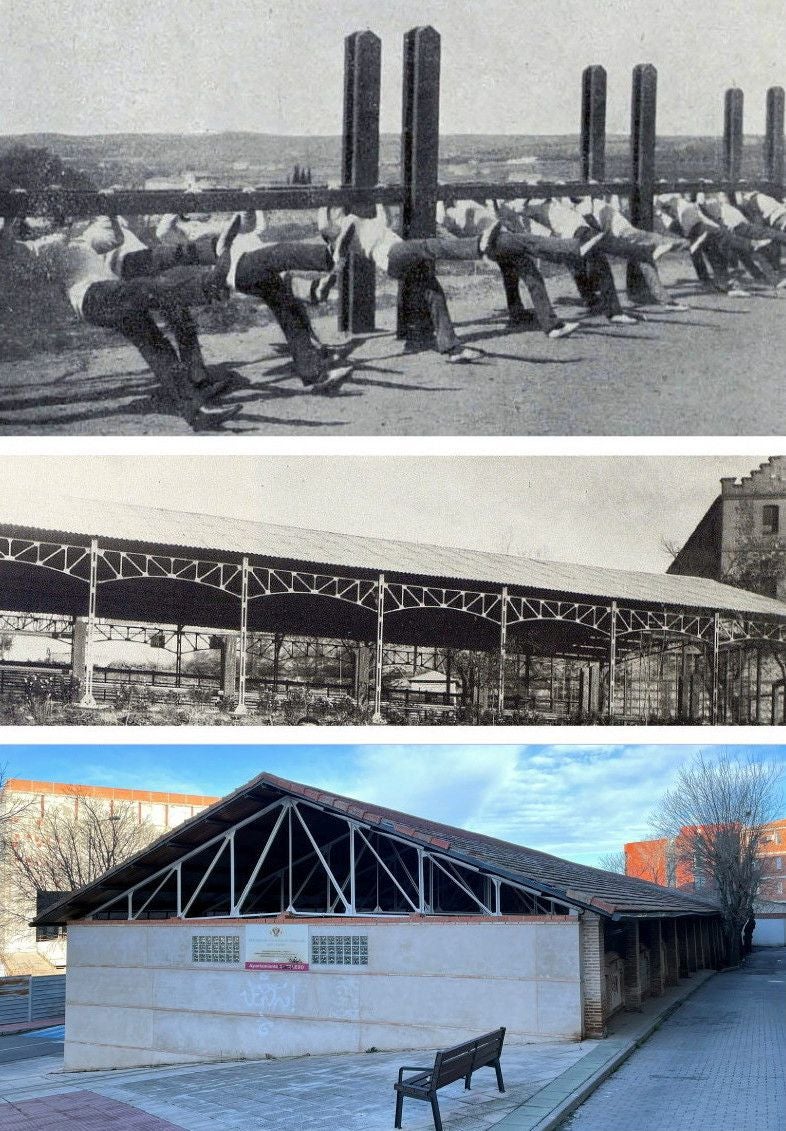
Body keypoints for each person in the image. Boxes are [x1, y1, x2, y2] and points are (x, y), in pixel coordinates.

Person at [29, 208, 242, 427]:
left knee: (157, 347)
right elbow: (11, 246)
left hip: (111, 295)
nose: (55, 218)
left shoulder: (81, 241)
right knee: (148, 288)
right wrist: (11, 220)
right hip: (93, 296)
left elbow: (115, 238)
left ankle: (196, 413)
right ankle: (208, 285)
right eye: (44, 217)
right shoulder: (36, 248)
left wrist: (107, 208)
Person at [437, 197, 580, 338]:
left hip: (497, 240)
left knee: (510, 275)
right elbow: (447, 226)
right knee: (531, 273)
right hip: (498, 240)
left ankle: (516, 313)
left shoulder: (467, 202)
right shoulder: (451, 211)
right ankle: (551, 325)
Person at [572, 191, 691, 310]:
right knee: (652, 245)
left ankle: (666, 300)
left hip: (616, 230)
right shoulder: (579, 207)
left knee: (644, 255)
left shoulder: (589, 201)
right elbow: (591, 222)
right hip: (613, 233)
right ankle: (685, 244)